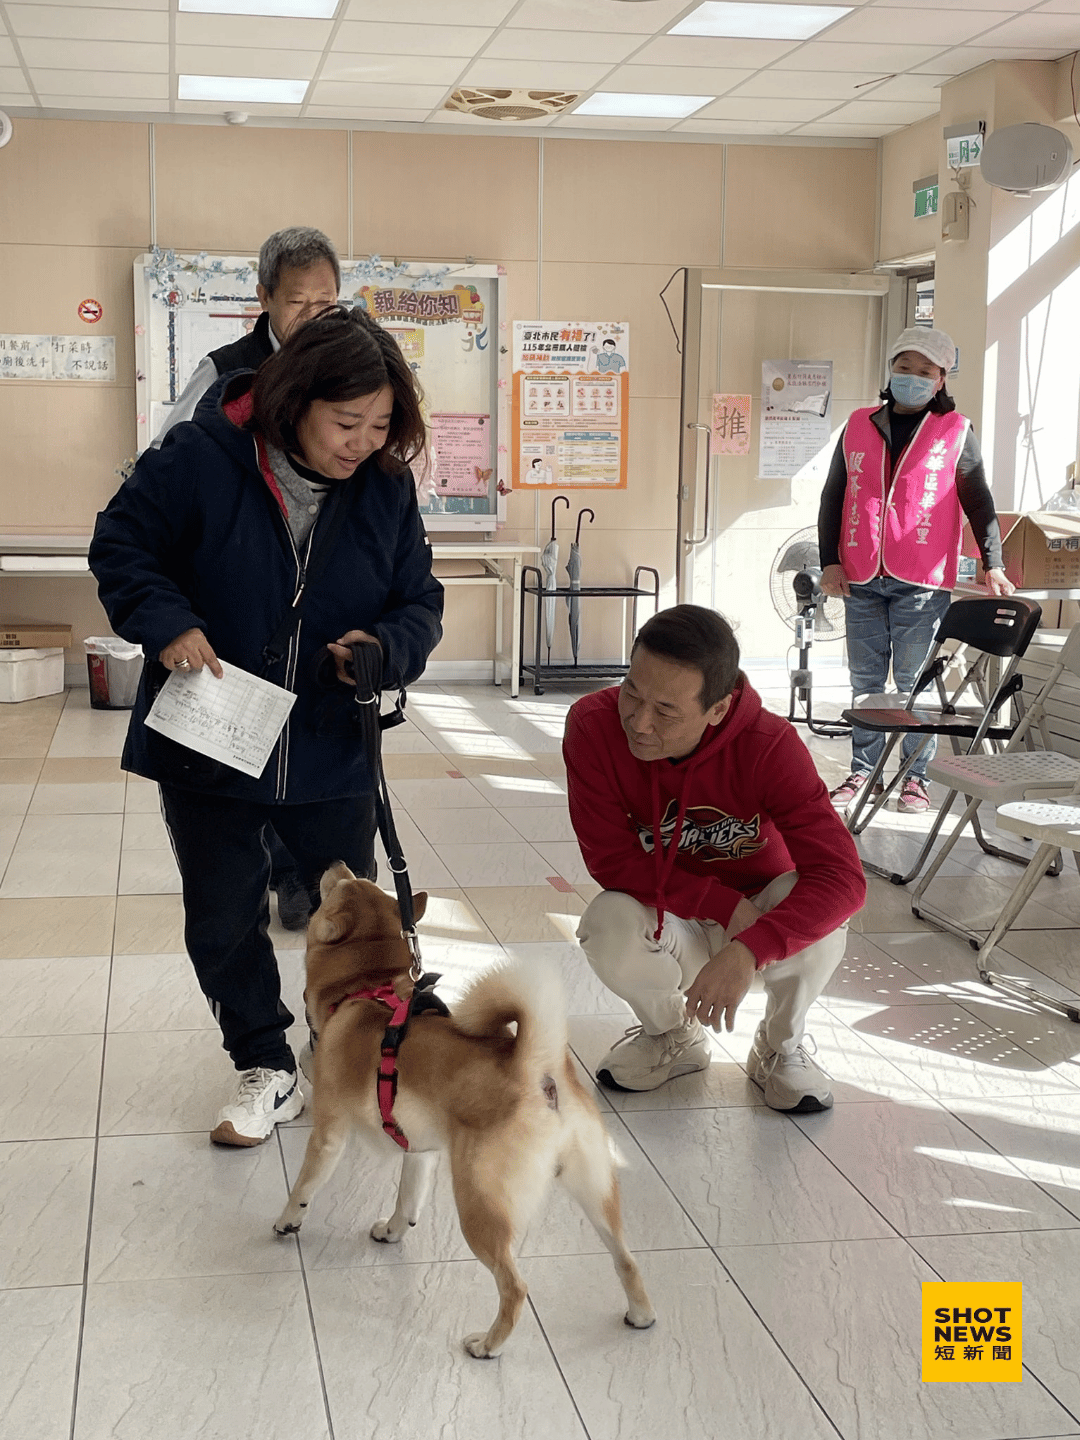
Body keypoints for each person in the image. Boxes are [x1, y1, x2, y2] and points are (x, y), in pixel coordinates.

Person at [90, 306, 443, 1146]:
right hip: (211, 727)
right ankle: (264, 1063)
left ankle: (342, 1045)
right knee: (222, 913)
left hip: (328, 733)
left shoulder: (386, 488)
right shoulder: (201, 457)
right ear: (295, 399)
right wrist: (168, 622)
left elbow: (419, 603)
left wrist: (383, 651)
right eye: (347, 422)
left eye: (382, 425)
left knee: (351, 914)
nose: (364, 442)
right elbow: (121, 543)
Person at [564, 605, 865, 1110]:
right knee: (606, 920)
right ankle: (672, 1035)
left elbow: (843, 878)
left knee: (811, 898)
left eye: (666, 711)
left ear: (719, 709)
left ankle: (779, 1045)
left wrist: (750, 947)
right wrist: (721, 905)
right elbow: (611, 860)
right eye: (631, 691)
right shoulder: (593, 726)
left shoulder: (769, 744)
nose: (638, 721)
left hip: (761, 916)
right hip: (673, 916)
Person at [152, 226, 342, 930]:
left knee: (304, 762)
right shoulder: (225, 371)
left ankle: (295, 879)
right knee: (235, 770)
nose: (314, 316)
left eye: (327, 301)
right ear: (263, 297)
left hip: (314, 614)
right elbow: (167, 465)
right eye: (297, 301)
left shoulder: (352, 366)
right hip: (234, 614)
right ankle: (248, 879)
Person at [818, 326, 1014, 815]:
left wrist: (993, 563)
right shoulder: (858, 424)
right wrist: (829, 561)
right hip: (861, 574)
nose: (912, 377)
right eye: (904, 367)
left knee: (913, 685)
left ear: (941, 378)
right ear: (891, 370)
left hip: (922, 580)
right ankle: (863, 772)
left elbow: (978, 500)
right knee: (865, 683)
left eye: (925, 371)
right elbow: (834, 495)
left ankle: (914, 778)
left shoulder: (956, 431)